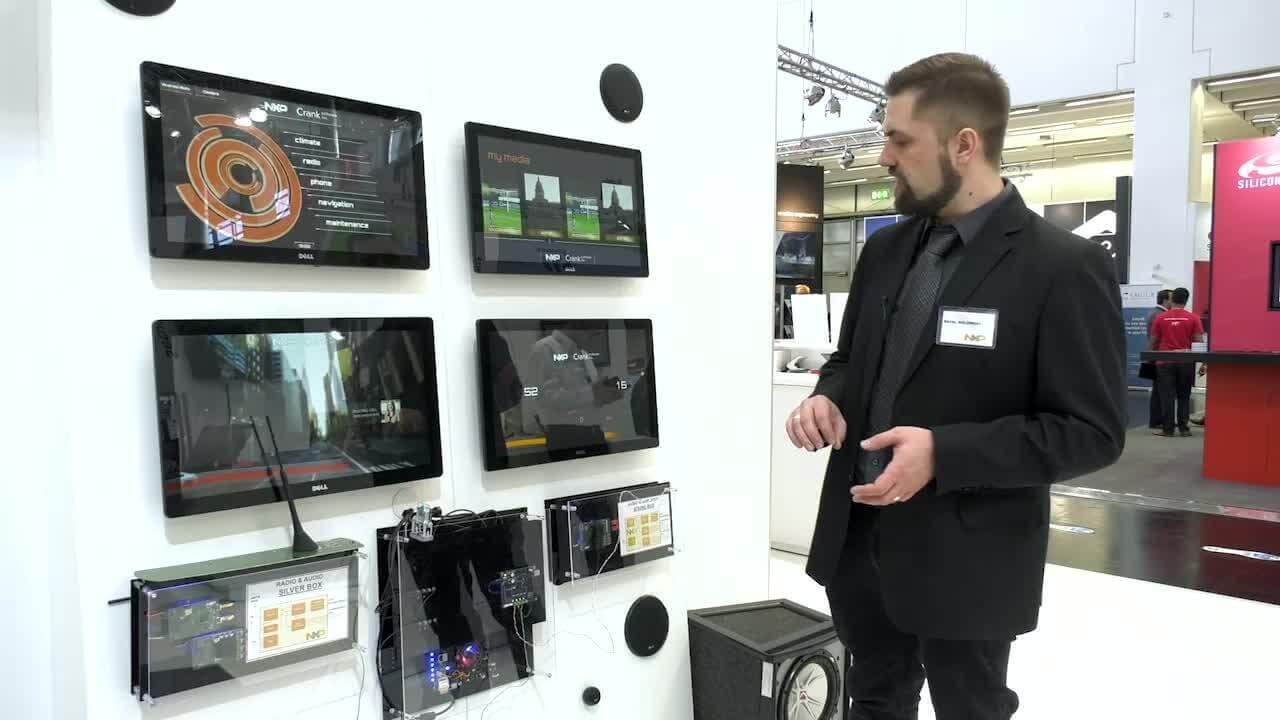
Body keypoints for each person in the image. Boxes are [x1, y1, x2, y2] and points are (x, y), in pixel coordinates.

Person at [784, 53, 1126, 720]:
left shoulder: (1062, 266)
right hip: (858, 541)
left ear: (964, 145)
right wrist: (827, 395)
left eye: (900, 139)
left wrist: (944, 454)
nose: (883, 157)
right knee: (874, 699)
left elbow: (1092, 432)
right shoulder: (885, 252)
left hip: (968, 560)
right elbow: (851, 360)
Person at [1149, 287, 1205, 437]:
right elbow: (1199, 342)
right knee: (1184, 396)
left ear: (1172, 299)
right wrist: (1202, 363)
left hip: (1164, 362)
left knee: (1166, 396)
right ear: (1186, 301)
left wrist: (1149, 360)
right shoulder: (1194, 318)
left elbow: (1153, 342)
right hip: (1185, 362)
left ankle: (1168, 429)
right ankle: (1184, 428)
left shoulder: (1160, 318)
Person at [1145, 289, 1173, 429]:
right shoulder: (1160, 315)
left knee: (1157, 390)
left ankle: (1156, 420)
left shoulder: (1154, 313)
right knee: (1160, 390)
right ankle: (1158, 420)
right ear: (1165, 300)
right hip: (1157, 356)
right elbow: (1155, 339)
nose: (1173, 301)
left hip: (1154, 356)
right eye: (1172, 299)